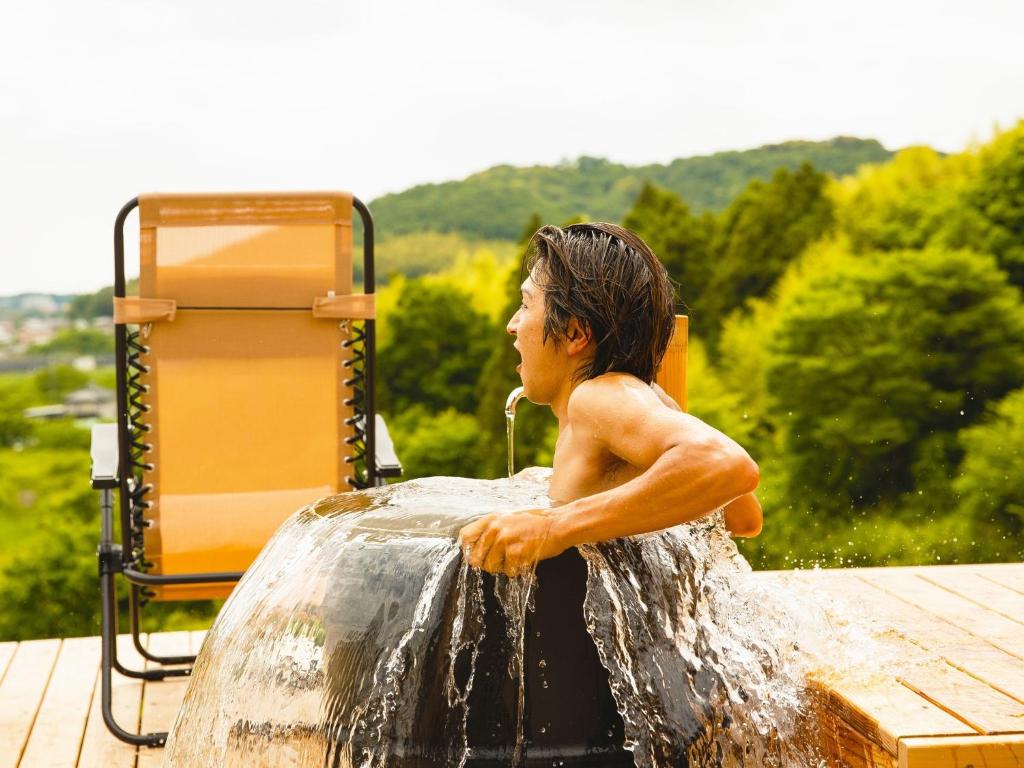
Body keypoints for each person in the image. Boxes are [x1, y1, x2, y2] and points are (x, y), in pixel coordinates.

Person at [458, 222, 763, 577]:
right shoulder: (641, 398)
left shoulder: (597, 395)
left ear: (574, 333)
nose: (513, 324)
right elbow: (743, 518)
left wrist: (553, 526)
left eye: (525, 305)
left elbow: (727, 465)